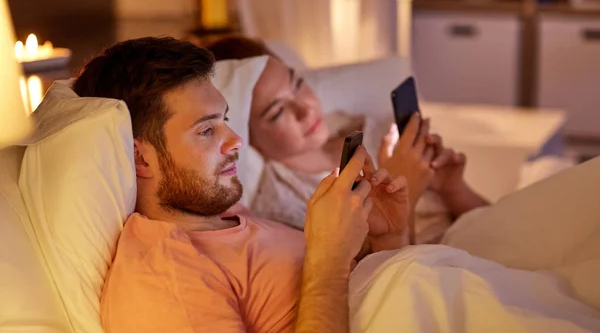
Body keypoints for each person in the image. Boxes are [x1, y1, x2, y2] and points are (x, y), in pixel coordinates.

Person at [74, 37, 412, 332]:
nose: (236, 141)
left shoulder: (229, 215)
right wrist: (329, 258)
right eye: (206, 130)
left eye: (226, 120)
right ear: (140, 158)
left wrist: (387, 239)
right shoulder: (163, 276)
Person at [205, 36, 488, 243]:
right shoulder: (283, 205)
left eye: (298, 85)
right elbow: (383, 281)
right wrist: (407, 195)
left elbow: (491, 223)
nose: (306, 110)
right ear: (245, 132)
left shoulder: (371, 129)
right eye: (278, 112)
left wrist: (453, 188)